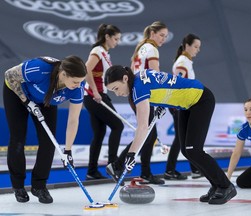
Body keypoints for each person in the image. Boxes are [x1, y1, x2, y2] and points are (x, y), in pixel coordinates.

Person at [104, 65, 237, 205]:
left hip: (201, 100)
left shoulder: (138, 89)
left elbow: (143, 127)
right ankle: (216, 185)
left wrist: (131, 155)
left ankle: (225, 186)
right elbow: (167, 83)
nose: (117, 94)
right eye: (113, 91)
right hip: (186, 105)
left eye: (116, 89)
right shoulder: (139, 77)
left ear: (125, 79)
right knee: (187, 151)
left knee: (194, 150)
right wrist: (163, 104)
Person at [3, 55, 87, 204]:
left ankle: (39, 186)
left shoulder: (77, 87)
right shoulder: (40, 69)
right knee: (17, 139)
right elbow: (9, 75)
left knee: (49, 142)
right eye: (75, 81)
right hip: (17, 94)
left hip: (46, 101)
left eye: (81, 81)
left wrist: (68, 151)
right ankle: (18, 187)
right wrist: (26, 101)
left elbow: (73, 120)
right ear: (63, 74)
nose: (78, 85)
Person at [106, 21, 169, 185]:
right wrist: (162, 98)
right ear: (152, 33)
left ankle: (143, 171)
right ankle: (119, 165)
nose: (163, 39)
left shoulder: (141, 48)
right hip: (145, 92)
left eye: (165, 36)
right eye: (161, 35)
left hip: (136, 91)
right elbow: (157, 75)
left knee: (149, 132)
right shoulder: (152, 48)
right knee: (147, 132)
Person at [84, 24, 124, 180]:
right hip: (95, 97)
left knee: (99, 133)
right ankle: (113, 166)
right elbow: (86, 69)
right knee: (117, 125)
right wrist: (95, 91)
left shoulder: (104, 53)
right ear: (107, 37)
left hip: (97, 96)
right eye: (116, 39)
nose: (117, 42)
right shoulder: (97, 51)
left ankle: (92, 171)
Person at [164, 33, 202, 180]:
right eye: (195, 47)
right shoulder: (182, 63)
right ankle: (170, 170)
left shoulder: (186, 61)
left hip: (181, 104)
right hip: (179, 105)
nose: (197, 50)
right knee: (181, 138)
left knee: (184, 137)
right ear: (187, 46)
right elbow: (177, 84)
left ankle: (194, 169)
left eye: (199, 47)